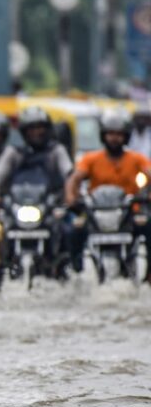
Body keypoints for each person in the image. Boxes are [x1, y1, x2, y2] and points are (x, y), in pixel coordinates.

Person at [64, 109, 151, 281]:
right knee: (73, 230)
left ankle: (149, 273)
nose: (114, 138)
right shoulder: (91, 158)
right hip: (96, 213)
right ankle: (76, 271)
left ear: (125, 136)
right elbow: (75, 179)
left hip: (128, 212)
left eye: (119, 134)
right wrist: (71, 197)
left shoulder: (136, 158)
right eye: (111, 134)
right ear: (103, 135)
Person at [0, 106, 73, 197]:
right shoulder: (14, 153)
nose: (36, 132)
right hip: (16, 204)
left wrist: (70, 194)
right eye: (31, 128)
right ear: (24, 131)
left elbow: (69, 175)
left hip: (51, 203)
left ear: (47, 129)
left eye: (39, 127)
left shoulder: (56, 151)